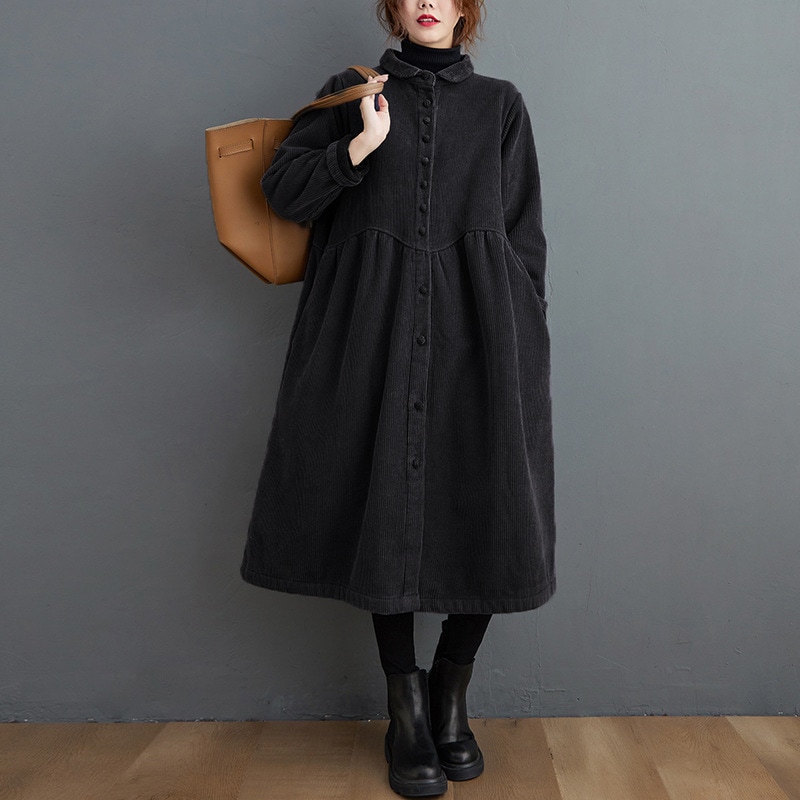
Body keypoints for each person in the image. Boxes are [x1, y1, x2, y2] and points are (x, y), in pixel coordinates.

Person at [240, 0, 555, 795]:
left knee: (492, 502)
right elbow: (283, 195)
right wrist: (359, 146)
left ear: (464, 9)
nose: (427, 3)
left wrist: (522, 326)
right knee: (382, 501)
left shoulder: (501, 105)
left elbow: (523, 231)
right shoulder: (350, 92)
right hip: (368, 327)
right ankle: (405, 706)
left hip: (479, 329)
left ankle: (452, 689)